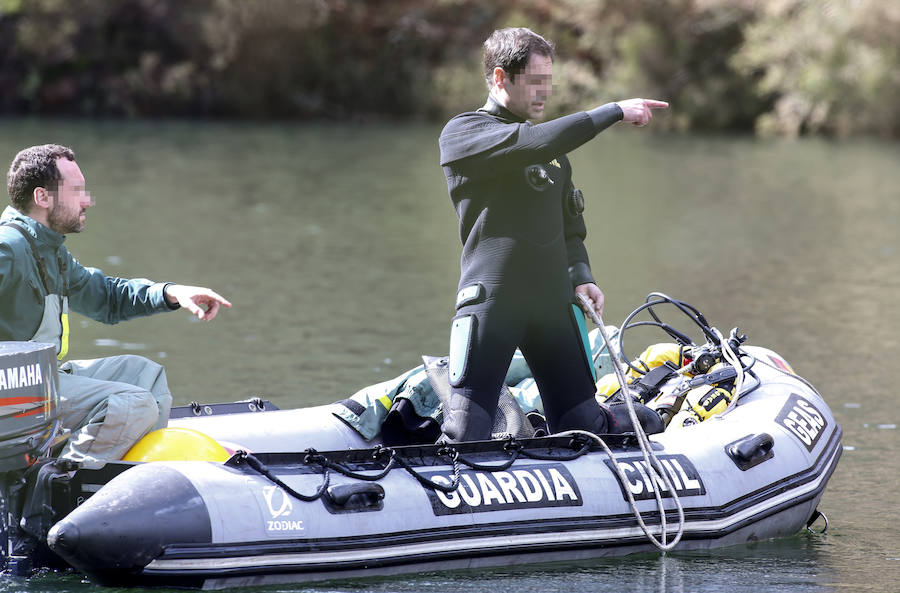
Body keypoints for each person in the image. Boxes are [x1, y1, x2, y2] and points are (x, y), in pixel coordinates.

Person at [437, 28, 668, 441]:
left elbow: (571, 229)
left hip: (552, 307)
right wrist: (613, 110)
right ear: (500, 78)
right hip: (493, 305)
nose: (544, 92)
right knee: (466, 433)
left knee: (585, 429)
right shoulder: (465, 133)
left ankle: (644, 418)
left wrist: (583, 274)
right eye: (534, 82)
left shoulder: (555, 158)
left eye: (549, 81)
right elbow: (531, 142)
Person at [1, 144, 231, 465]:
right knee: (132, 402)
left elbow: (107, 298)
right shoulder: (9, 248)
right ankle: (61, 484)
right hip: (12, 393)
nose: (87, 201)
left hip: (44, 378)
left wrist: (173, 293)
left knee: (146, 378)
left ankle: (122, 478)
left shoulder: (51, 251)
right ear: (42, 198)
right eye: (77, 191)